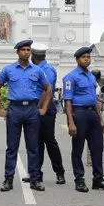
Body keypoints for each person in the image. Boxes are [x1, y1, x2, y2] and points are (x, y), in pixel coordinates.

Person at [0, 39, 51, 192]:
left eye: (28, 50)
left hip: (32, 110)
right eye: (23, 49)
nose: (26, 52)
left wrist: (43, 108)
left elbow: (48, 88)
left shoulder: (37, 71)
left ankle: (35, 179)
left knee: (33, 147)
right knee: (12, 147)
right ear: (17, 52)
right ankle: (8, 180)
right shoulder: (9, 70)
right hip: (15, 110)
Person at [62, 47, 104, 193]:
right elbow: (68, 101)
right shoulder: (70, 77)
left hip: (93, 115)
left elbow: (96, 100)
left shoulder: (92, 77)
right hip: (79, 115)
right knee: (78, 149)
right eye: (83, 57)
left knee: (97, 148)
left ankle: (98, 179)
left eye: (88, 57)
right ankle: (79, 180)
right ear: (77, 59)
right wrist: (71, 122)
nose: (87, 59)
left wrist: (101, 119)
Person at [28, 42, 66, 184]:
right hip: (35, 109)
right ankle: (36, 173)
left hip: (46, 110)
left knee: (49, 141)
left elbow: (47, 90)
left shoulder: (47, 69)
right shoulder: (35, 68)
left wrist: (39, 107)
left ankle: (59, 172)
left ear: (34, 55)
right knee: (36, 142)